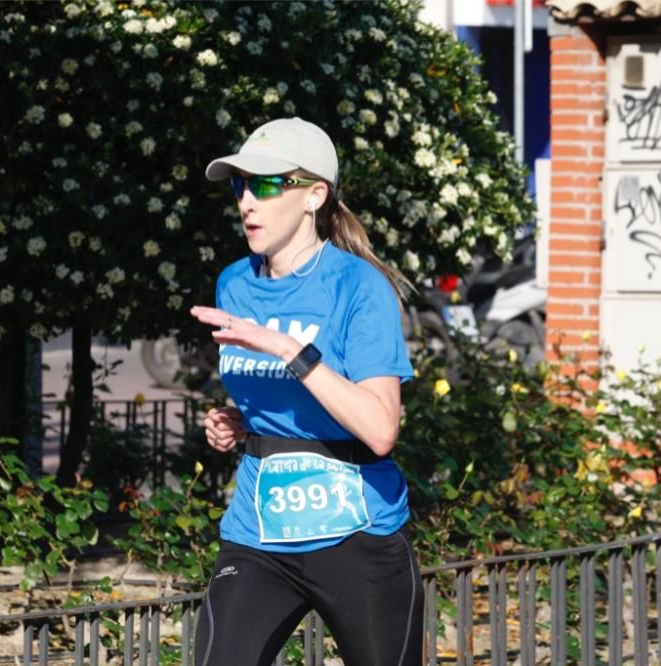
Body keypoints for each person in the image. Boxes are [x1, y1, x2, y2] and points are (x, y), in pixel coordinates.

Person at [188, 117, 423, 666]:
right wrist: (239, 421)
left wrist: (287, 349)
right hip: (259, 531)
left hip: (356, 534)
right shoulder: (234, 283)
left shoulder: (358, 287)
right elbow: (283, 403)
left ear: (314, 195)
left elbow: (382, 429)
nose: (248, 201)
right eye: (239, 185)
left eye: (268, 184)